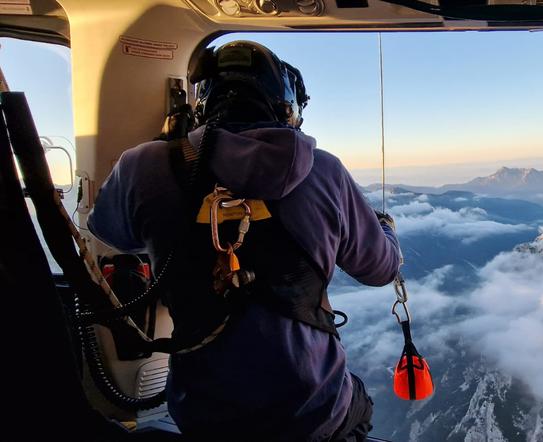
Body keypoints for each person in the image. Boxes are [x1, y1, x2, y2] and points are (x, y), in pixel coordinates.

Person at [88, 40, 401, 441]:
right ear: (287, 107)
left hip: (201, 414)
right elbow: (381, 269)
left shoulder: (141, 165)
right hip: (313, 409)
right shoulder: (326, 172)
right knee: (358, 403)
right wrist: (386, 229)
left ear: (204, 102)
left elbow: (111, 234)